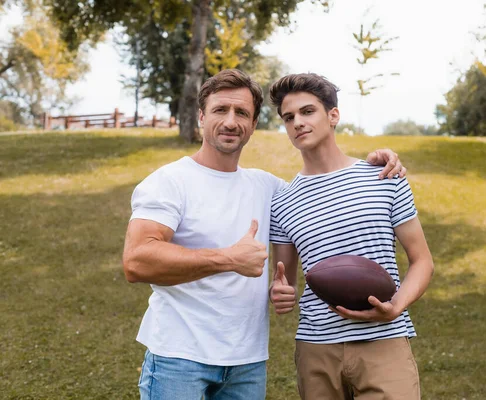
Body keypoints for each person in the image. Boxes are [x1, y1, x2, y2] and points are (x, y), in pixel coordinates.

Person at [122, 68, 407, 400]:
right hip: (178, 357)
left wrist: (373, 164)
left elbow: (322, 192)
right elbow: (137, 261)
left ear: (253, 125)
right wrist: (228, 259)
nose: (231, 121)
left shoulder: (269, 188)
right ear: (201, 116)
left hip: (247, 364)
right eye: (220, 110)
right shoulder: (170, 181)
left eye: (242, 112)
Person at [268, 73, 434, 400]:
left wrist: (396, 305)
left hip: (383, 341)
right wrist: (278, 292)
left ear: (333, 115)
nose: (298, 123)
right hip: (316, 349)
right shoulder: (282, 201)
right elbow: (283, 279)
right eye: (289, 118)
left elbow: (423, 261)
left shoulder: (384, 177)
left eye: (307, 112)